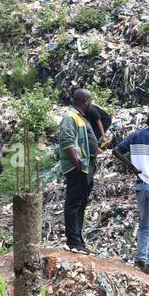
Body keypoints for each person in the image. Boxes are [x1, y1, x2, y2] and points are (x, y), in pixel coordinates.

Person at [113, 110, 149, 275]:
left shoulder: (135, 135)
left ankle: (140, 258)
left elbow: (116, 151)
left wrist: (131, 166)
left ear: (147, 122)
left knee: (144, 224)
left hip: (141, 185)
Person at [57, 88, 95, 253]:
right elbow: (66, 140)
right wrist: (77, 162)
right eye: (90, 100)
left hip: (85, 167)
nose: (91, 103)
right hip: (77, 168)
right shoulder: (70, 116)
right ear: (85, 101)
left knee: (81, 203)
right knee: (74, 204)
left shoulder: (79, 117)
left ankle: (78, 240)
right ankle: (73, 241)